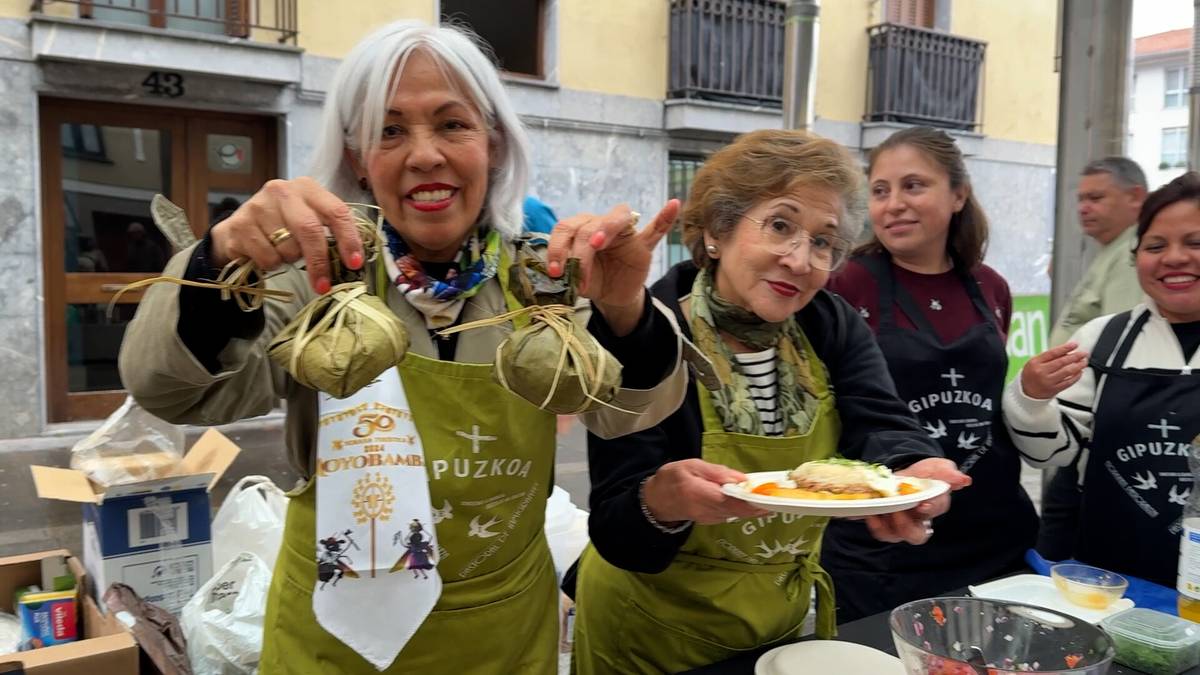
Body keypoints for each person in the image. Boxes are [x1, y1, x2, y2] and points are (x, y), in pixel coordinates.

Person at [118, 21, 688, 674]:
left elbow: (631, 411)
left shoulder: (546, 283)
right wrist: (219, 262)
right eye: (389, 131)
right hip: (336, 639)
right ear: (357, 155)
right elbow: (168, 391)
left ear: (493, 144)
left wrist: (624, 305)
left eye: (452, 124)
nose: (424, 154)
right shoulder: (315, 276)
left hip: (499, 633)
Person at [570, 130, 970, 674]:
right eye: (780, 225)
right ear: (717, 230)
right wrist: (659, 502)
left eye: (823, 241)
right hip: (648, 628)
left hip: (771, 623)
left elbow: (881, 419)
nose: (801, 260)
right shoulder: (645, 330)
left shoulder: (829, 326)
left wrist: (908, 472)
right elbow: (618, 525)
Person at [820, 127, 1039, 622]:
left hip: (992, 531)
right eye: (880, 190)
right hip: (886, 538)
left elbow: (991, 405)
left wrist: (1033, 392)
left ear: (958, 194)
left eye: (913, 185)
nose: (894, 203)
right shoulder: (845, 284)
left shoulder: (990, 287)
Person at [1003, 171, 1200, 588]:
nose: (1175, 258)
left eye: (1195, 242)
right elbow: (1052, 453)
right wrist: (1032, 397)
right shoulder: (1103, 339)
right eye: (1155, 246)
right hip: (1108, 580)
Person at [1042, 157, 1148, 561]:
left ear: (1135, 197)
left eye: (1097, 197)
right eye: (1081, 198)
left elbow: (1123, 349)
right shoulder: (1111, 251)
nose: (1084, 208)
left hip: (1094, 432)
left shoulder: (1130, 253)